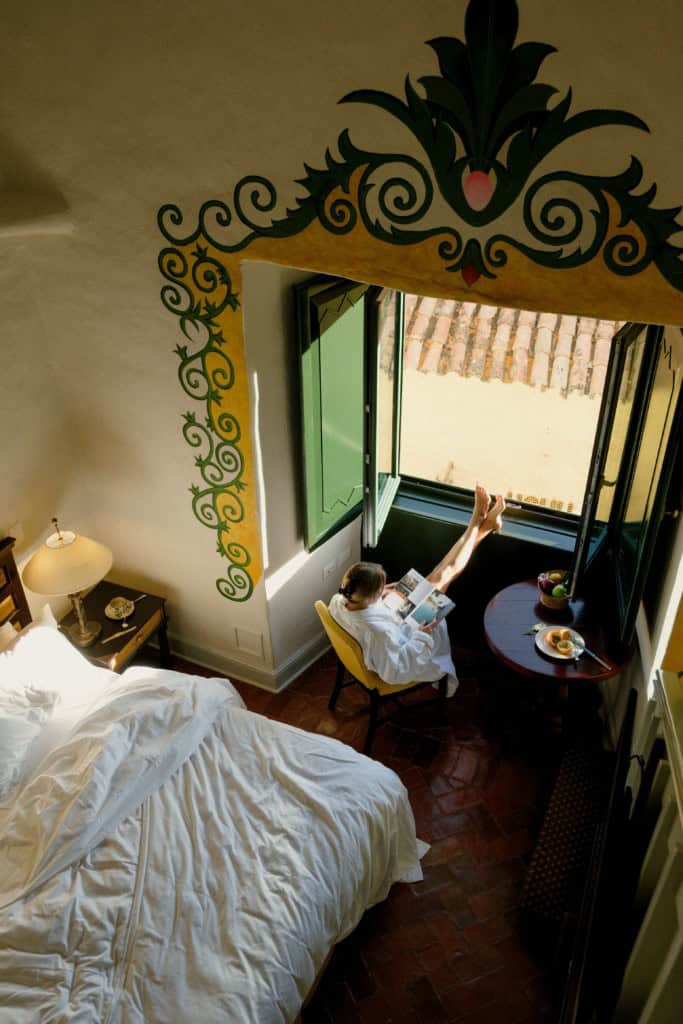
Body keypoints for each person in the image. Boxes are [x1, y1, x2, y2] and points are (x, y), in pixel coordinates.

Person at [328, 486, 505, 696]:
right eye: (381, 585)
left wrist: (381, 591)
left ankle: (480, 526)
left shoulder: (339, 599)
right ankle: (478, 525)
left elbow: (360, 607)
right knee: (444, 574)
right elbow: (394, 672)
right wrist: (422, 637)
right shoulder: (378, 633)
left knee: (439, 574)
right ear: (369, 597)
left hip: (390, 615)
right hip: (410, 638)